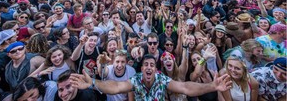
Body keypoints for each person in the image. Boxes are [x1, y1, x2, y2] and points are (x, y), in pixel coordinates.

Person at [70, 54, 233, 100]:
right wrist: (92, 83)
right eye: (146, 65)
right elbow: (116, 87)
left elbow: (185, 87)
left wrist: (213, 86)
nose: (149, 67)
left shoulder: (162, 79)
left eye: (152, 65)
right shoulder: (136, 80)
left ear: (155, 69)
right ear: (141, 68)